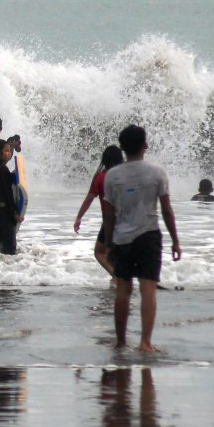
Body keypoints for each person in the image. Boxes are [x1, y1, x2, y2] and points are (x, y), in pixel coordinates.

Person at [102, 124, 181, 352]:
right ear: (145, 145)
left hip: (121, 238)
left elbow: (109, 214)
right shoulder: (157, 173)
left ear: (122, 147)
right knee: (148, 288)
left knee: (123, 290)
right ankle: (145, 342)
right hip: (148, 236)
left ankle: (120, 341)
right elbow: (166, 210)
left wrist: (108, 243)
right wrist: (175, 240)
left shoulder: (112, 175)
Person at [73, 145, 125, 277]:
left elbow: (89, 198)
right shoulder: (127, 175)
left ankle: (117, 277)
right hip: (128, 219)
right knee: (119, 254)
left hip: (110, 221)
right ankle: (121, 278)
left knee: (100, 253)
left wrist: (79, 217)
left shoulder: (101, 177)